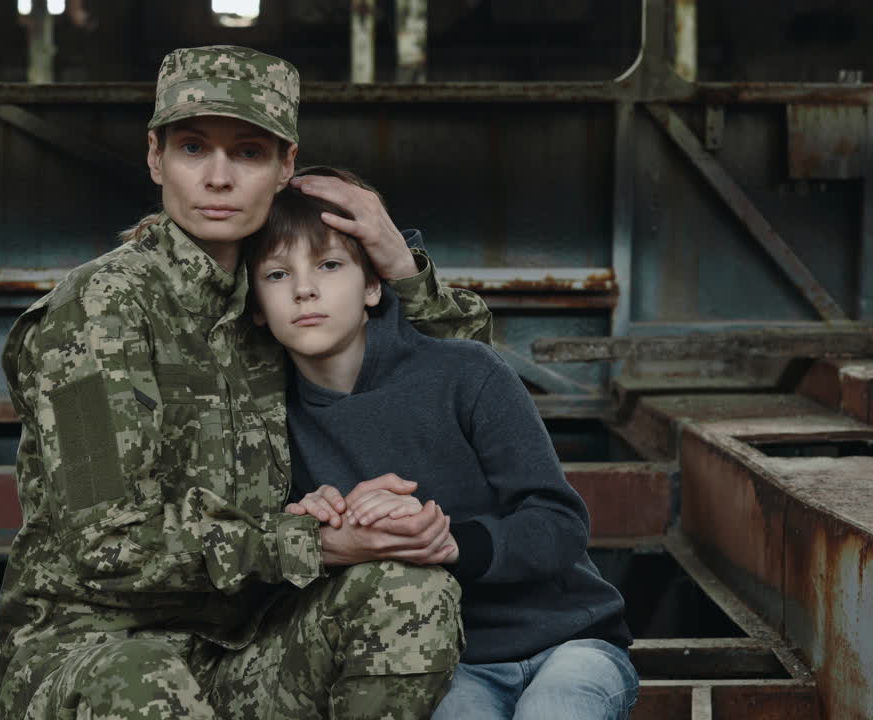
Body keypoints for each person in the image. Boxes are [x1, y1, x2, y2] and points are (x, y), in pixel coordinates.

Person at [0, 46, 492, 719]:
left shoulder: (279, 297)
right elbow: (106, 547)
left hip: (245, 646)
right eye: (193, 148)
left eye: (250, 152)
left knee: (409, 593)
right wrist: (313, 541)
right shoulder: (98, 308)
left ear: (286, 168)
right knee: (147, 683)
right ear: (155, 158)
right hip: (93, 649)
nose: (219, 178)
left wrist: (398, 261)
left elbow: (465, 386)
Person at [247, 176, 640, 720]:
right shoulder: (267, 421)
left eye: (329, 265)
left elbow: (559, 522)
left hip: (569, 640)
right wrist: (325, 526)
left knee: (555, 710)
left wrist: (448, 544)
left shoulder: (466, 371)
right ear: (258, 307)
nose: (304, 290)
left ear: (372, 286)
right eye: (276, 274)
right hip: (452, 662)